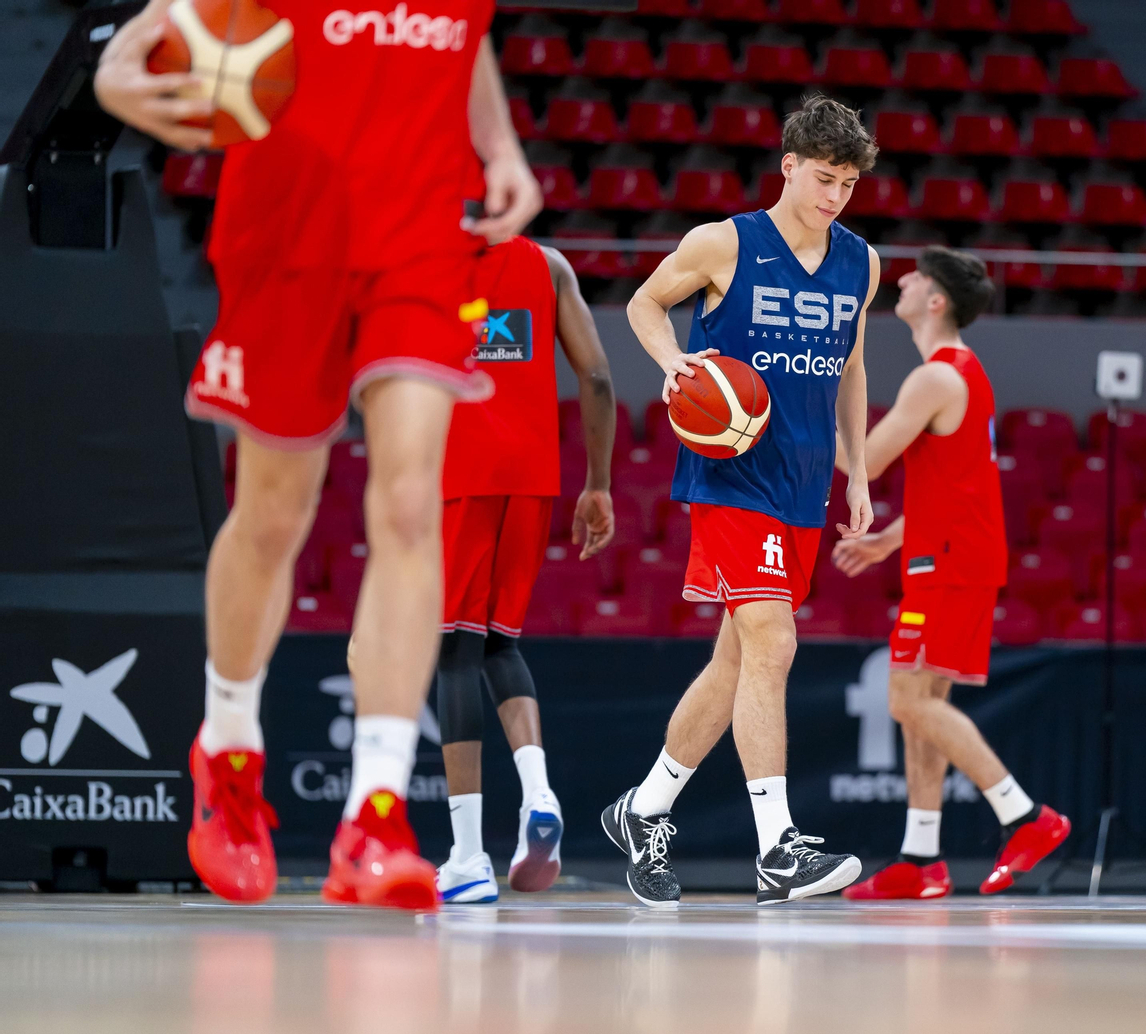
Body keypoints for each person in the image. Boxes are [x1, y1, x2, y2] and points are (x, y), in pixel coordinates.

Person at [94, 0, 541, 910]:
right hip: (289, 224)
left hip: (422, 232)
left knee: (413, 503)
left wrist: (497, 145)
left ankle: (376, 813)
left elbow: (464, 35)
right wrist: (113, 71)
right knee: (272, 514)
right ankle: (227, 751)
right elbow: (165, 24)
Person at [600, 95, 879, 907]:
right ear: (788, 166)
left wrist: (857, 471)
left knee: (737, 662)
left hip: (802, 482)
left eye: (849, 185)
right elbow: (644, 302)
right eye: (824, 178)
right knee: (774, 642)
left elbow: (853, 370)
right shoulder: (723, 243)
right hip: (732, 475)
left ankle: (644, 808)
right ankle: (778, 848)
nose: (835, 196)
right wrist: (672, 361)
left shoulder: (860, 261)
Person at [828, 248, 1071, 900]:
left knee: (908, 700)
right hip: (945, 552)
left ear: (935, 301)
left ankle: (1025, 815)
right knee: (922, 707)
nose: (901, 281)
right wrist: (890, 541)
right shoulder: (961, 372)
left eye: (915, 278)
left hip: (953, 562)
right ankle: (922, 857)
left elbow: (867, 463)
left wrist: (800, 410)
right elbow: (959, 485)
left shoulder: (936, 377)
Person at [433, 237, 617, 904]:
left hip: (460, 471)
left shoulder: (431, 257)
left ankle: (467, 856)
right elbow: (596, 378)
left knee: (454, 652)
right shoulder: (551, 264)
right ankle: (539, 794)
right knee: (500, 642)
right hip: (533, 477)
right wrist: (598, 484)